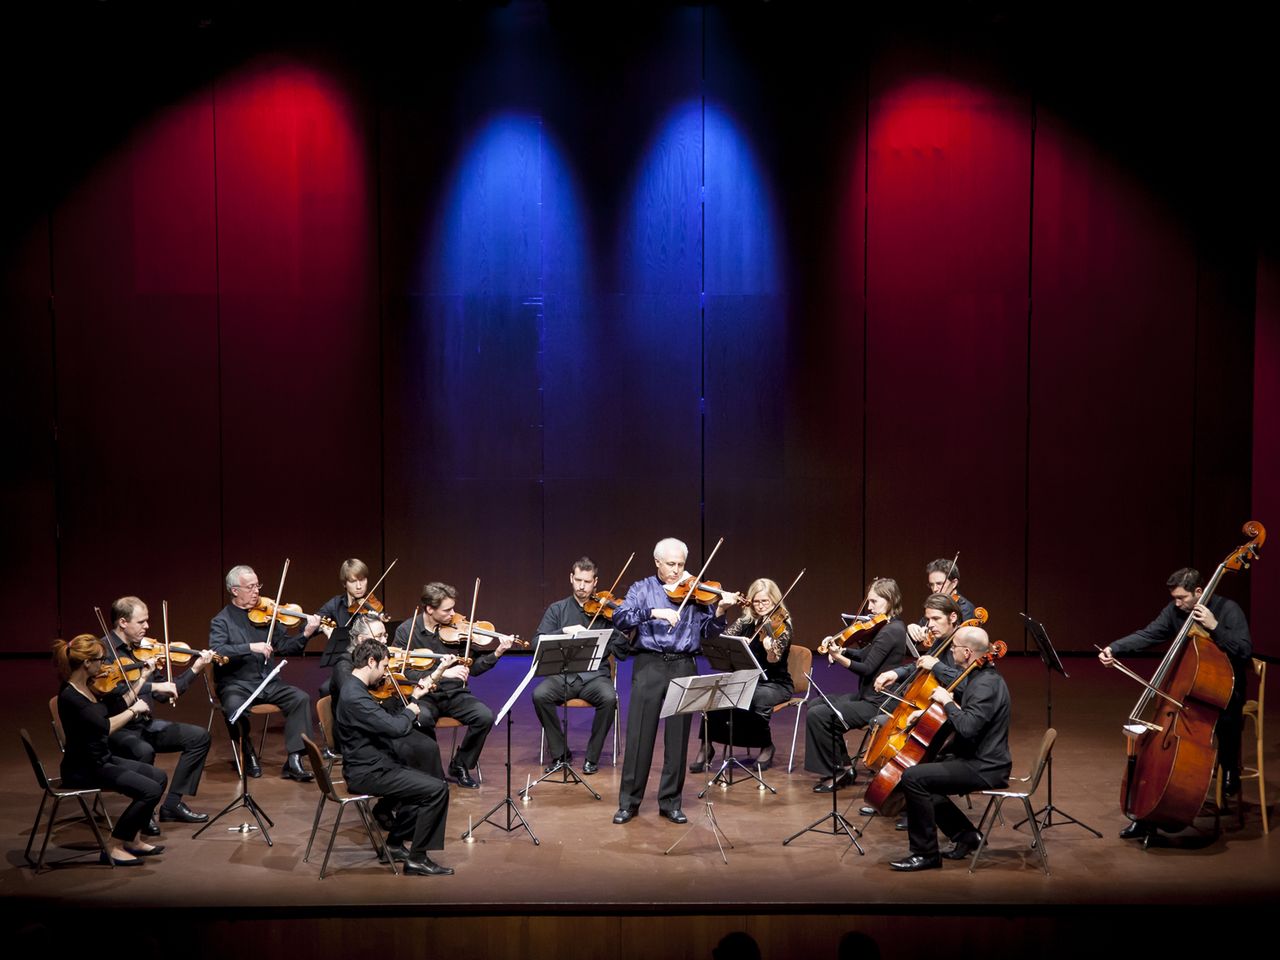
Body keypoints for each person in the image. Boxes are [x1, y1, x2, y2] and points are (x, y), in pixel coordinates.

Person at [1098, 566, 1252, 837]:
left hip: (1225, 690)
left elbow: (1243, 651)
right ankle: (1145, 814)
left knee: (1226, 717)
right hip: (1187, 693)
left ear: (1199, 592)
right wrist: (1115, 648)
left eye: (1182, 598)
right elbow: (1148, 635)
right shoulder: (1175, 611)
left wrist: (1214, 626)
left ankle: (1230, 768)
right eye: (1175, 598)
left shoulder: (1228, 610)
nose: (1177, 603)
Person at [610, 538, 734, 825]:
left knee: (677, 739)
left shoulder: (695, 590)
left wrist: (720, 611)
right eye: (671, 564)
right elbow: (620, 617)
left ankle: (670, 802)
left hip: (683, 665)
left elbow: (708, 632)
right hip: (649, 664)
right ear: (657, 562)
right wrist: (653, 612)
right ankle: (629, 802)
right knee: (640, 737)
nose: (678, 571)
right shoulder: (641, 589)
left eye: (681, 564)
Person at [874, 626, 1011, 871]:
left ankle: (926, 854)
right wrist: (926, 713)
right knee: (922, 773)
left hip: (986, 766)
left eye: (954, 647)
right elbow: (969, 719)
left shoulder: (985, 685)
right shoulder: (979, 677)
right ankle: (967, 835)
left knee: (913, 777)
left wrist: (946, 702)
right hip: (974, 757)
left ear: (967, 652)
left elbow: (968, 727)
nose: (950, 651)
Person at [337, 636, 453, 876]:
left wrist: (413, 698)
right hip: (367, 772)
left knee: (421, 785)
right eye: (384, 666)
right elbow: (395, 728)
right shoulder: (354, 697)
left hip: (376, 763)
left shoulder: (355, 688)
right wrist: (411, 709)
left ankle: (394, 844)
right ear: (371, 661)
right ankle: (418, 858)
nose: (385, 674)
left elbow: (386, 723)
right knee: (437, 789)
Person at [54, 634, 168, 866]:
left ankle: (132, 839)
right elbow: (106, 727)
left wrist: (143, 678)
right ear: (87, 663)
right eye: (100, 660)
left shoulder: (87, 688)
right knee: (150, 790)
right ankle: (114, 845)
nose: (104, 665)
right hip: (85, 768)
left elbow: (118, 704)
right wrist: (135, 711)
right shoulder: (71, 697)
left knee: (159, 776)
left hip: (101, 759)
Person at [100, 596, 213, 828]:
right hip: (117, 726)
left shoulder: (146, 650)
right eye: (141, 622)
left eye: (148, 621)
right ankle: (144, 811)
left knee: (199, 737)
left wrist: (195, 668)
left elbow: (166, 693)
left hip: (144, 724)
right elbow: (115, 695)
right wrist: (151, 684)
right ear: (122, 622)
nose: (147, 626)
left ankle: (172, 804)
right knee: (144, 750)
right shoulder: (103, 651)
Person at [392, 582, 515, 788]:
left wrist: (497, 653)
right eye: (447, 610)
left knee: (484, 716)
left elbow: (474, 668)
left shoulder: (457, 630)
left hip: (454, 693)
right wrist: (442, 673)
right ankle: (431, 771)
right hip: (425, 696)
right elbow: (402, 672)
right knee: (421, 718)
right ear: (430, 609)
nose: (453, 614)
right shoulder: (407, 631)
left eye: (453, 608)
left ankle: (460, 764)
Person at [209, 564, 319, 782]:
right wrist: (250, 647)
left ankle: (294, 759)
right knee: (233, 707)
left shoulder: (266, 615)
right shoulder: (221, 621)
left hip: (268, 682)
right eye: (250, 587)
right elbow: (217, 651)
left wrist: (306, 633)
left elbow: (287, 647)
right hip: (236, 683)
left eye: (257, 585)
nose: (256, 591)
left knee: (300, 698)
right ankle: (247, 750)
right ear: (235, 591)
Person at [804, 578, 909, 792]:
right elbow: (864, 654)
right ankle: (843, 765)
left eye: (874, 601)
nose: (869, 607)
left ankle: (839, 771)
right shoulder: (884, 627)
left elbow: (867, 668)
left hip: (879, 703)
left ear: (889, 600)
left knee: (820, 716)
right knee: (815, 704)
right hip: (866, 696)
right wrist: (842, 650)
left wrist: (839, 658)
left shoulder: (893, 631)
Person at [529, 557, 626, 775]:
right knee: (540, 695)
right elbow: (536, 643)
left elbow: (622, 653)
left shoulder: (607, 613)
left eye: (587, 581)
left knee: (610, 698)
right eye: (578, 580)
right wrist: (561, 632)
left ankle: (592, 757)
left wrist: (624, 629)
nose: (582, 586)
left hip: (595, 677)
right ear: (571, 578)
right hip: (563, 675)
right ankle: (560, 753)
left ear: (595, 583)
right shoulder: (557, 609)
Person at [693, 577, 794, 772]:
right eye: (756, 601)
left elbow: (774, 660)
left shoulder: (783, 626)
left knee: (756, 697)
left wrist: (770, 649)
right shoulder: (746, 620)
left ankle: (766, 745)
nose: (761, 605)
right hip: (747, 680)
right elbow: (722, 640)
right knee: (714, 692)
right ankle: (707, 745)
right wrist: (738, 642)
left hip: (774, 683)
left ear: (775, 601)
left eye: (765, 601)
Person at [920, 558, 976, 625]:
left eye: (939, 583)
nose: (934, 589)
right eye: (931, 584)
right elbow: (923, 626)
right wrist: (914, 628)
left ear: (954, 583)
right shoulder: (934, 606)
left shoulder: (965, 609)